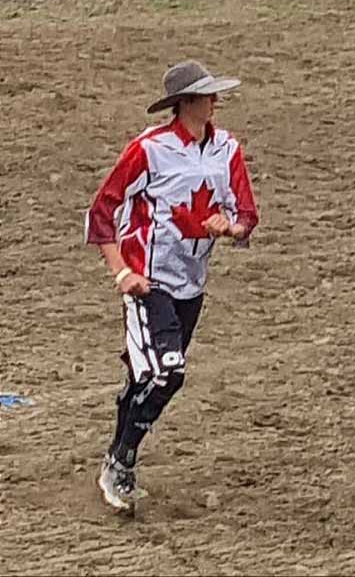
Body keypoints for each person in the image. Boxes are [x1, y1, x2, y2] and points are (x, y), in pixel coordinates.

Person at [86, 60, 260, 511]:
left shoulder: (227, 149)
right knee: (168, 371)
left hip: (191, 283)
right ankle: (119, 464)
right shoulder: (149, 150)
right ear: (185, 104)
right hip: (150, 282)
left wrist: (232, 229)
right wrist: (122, 272)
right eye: (206, 94)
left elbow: (246, 215)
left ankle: (118, 453)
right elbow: (101, 210)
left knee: (148, 376)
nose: (215, 101)